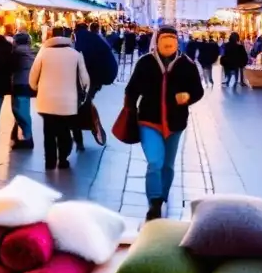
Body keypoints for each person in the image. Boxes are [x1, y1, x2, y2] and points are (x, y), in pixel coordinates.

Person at [125, 26, 205, 220]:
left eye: (172, 38)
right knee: (155, 162)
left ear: (178, 41)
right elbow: (131, 89)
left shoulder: (187, 64)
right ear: (157, 41)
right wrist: (129, 109)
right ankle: (155, 202)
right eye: (165, 38)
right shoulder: (146, 63)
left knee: (168, 165)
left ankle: (162, 194)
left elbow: (198, 91)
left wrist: (188, 97)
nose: (169, 42)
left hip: (175, 123)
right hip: (148, 121)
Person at [29, 26, 89, 170]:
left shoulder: (43, 53)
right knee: (64, 131)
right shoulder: (75, 54)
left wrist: (39, 89)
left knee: (48, 132)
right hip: (68, 102)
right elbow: (85, 81)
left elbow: (32, 79)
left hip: (46, 101)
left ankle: (49, 162)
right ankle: (63, 159)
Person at [71, 22, 119, 150]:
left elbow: (82, 60)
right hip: (107, 72)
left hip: (98, 74)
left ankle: (90, 126)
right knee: (84, 100)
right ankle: (89, 125)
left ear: (75, 31)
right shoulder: (92, 37)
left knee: (80, 103)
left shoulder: (81, 39)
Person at [10, 31, 36, 150]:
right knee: (24, 109)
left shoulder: (16, 53)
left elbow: (10, 68)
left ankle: (27, 137)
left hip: (19, 83)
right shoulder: (33, 51)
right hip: (29, 84)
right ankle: (22, 135)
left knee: (20, 111)